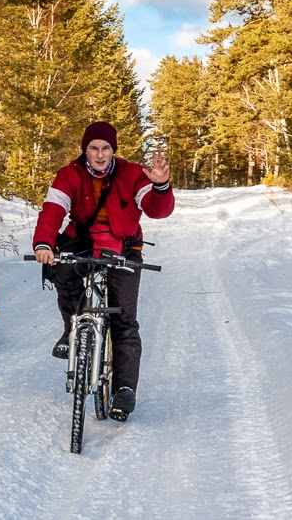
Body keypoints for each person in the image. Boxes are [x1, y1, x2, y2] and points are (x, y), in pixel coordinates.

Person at [33, 121, 174, 421]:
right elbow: (53, 210)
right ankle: (72, 329)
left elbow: (156, 209)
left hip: (124, 246)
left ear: (113, 150)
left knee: (124, 318)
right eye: (93, 148)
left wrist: (161, 186)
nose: (99, 154)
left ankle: (124, 390)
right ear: (85, 150)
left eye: (106, 148)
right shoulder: (70, 174)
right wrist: (44, 243)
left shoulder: (132, 174)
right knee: (63, 273)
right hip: (83, 241)